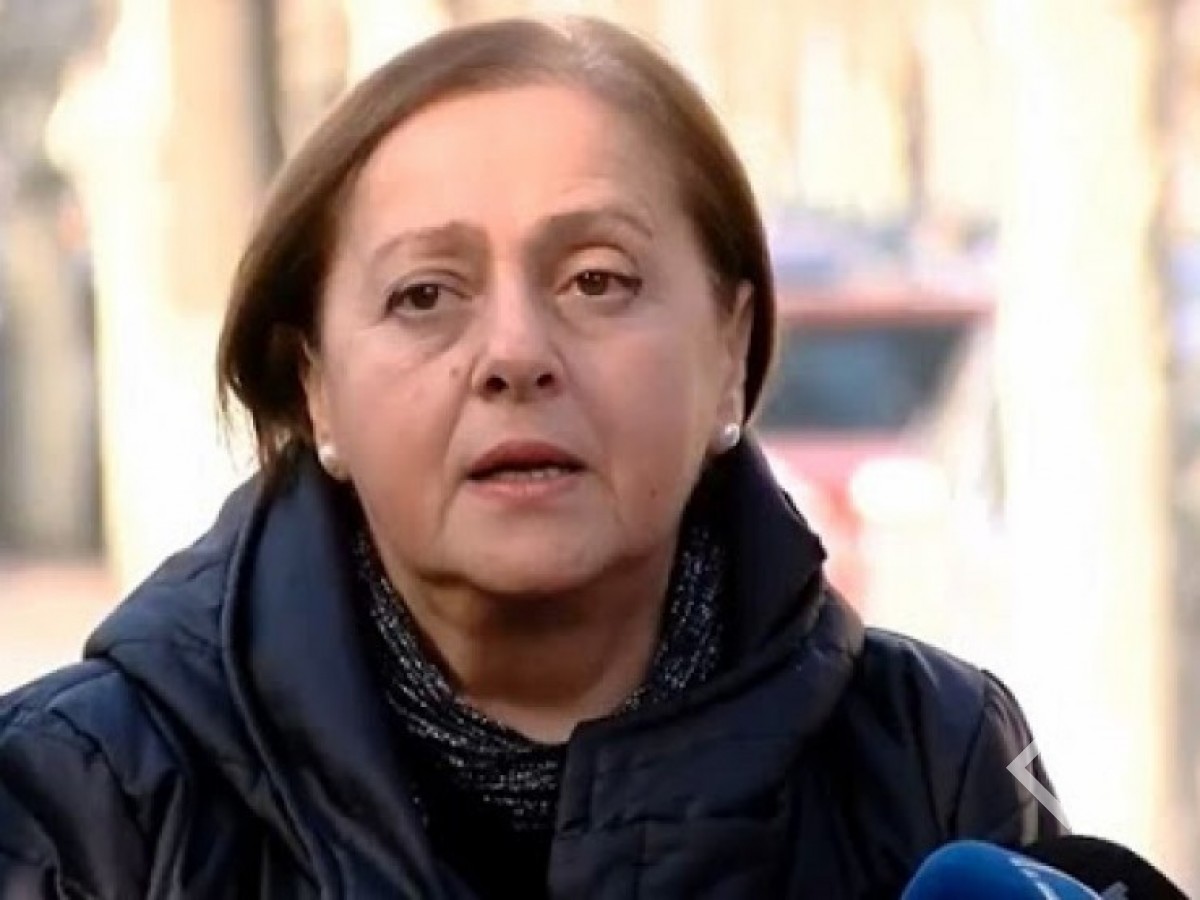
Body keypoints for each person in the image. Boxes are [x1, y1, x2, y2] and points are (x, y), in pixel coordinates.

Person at [0, 16, 1065, 899]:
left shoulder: (932, 758)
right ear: (318, 387)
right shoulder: (80, 805)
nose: (514, 353)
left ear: (730, 351)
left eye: (597, 281)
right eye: (425, 295)